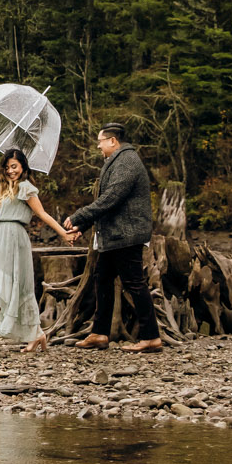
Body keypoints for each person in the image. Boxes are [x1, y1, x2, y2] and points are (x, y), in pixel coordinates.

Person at [62, 123, 162, 351]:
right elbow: (107, 203)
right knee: (102, 280)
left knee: (135, 283)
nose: (98, 146)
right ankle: (99, 333)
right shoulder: (116, 161)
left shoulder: (127, 161)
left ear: (113, 141)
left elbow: (111, 198)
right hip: (114, 235)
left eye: (100, 141)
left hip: (128, 235)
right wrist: (83, 226)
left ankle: (151, 337)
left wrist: (79, 216)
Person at [0, 147, 72, 353]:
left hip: (15, 239)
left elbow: (42, 214)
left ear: (23, 167)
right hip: (1, 238)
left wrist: (63, 233)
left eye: (14, 166)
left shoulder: (25, 188)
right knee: (4, 288)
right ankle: (37, 334)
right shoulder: (5, 189)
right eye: (7, 167)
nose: (10, 171)